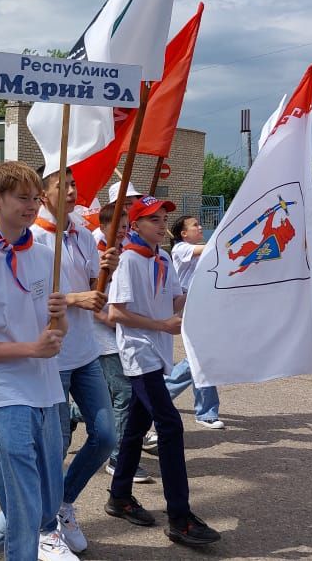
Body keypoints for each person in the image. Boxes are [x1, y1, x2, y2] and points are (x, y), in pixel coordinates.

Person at [0, 160, 75, 561]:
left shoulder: (45, 255)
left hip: (48, 391)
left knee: (46, 504)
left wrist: (61, 316)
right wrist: (30, 349)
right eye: (23, 197)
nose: (32, 205)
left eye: (36, 198)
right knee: (24, 506)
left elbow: (56, 335)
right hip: (5, 394)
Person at [105, 196, 221, 548]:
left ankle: (119, 495)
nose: (160, 224)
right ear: (135, 225)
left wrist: (208, 283)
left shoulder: (163, 257)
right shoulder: (128, 260)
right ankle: (180, 517)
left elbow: (174, 300)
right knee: (169, 425)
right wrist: (159, 324)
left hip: (158, 351)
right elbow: (115, 313)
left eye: (163, 218)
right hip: (139, 355)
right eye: (152, 219)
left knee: (138, 426)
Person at [30, 166, 118, 554]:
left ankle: (61, 504)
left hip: (86, 352)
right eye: (60, 186)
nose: (70, 191)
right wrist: (73, 299)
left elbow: (92, 289)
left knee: (105, 435)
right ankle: (44, 527)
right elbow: (29, 298)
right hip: (53, 355)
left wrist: (106, 274)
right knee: (56, 444)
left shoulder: (81, 232)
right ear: (41, 193)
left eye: (74, 185)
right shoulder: (32, 237)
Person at [93, 202, 152, 483]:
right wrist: (112, 319)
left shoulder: (125, 253)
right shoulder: (97, 253)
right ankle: (117, 458)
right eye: (117, 227)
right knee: (125, 395)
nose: (122, 233)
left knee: (111, 396)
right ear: (103, 226)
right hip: (103, 338)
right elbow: (91, 301)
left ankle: (71, 412)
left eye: (126, 228)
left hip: (121, 335)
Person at [155, 215, 224, 435]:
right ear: (183, 233)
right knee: (201, 356)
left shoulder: (198, 250)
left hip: (202, 305)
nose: (200, 227)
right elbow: (204, 250)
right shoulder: (180, 249)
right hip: (186, 306)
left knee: (203, 357)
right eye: (195, 225)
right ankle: (201, 409)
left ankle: (204, 411)